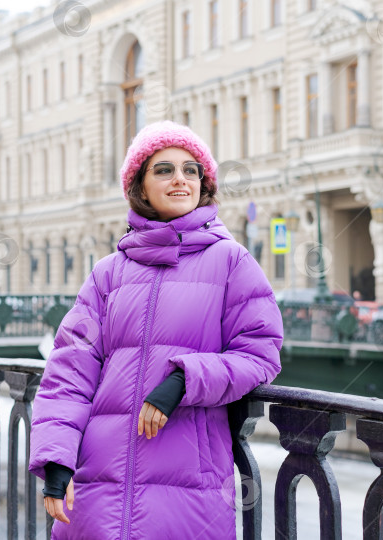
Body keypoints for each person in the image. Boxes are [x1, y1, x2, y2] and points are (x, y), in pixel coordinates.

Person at [28, 121, 284, 539]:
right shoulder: (108, 274)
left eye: (191, 170)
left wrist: (185, 379)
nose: (180, 179)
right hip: (97, 484)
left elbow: (260, 355)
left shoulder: (232, 262)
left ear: (203, 185)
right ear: (140, 187)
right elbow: (68, 374)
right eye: (164, 170)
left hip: (188, 488)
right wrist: (56, 459)